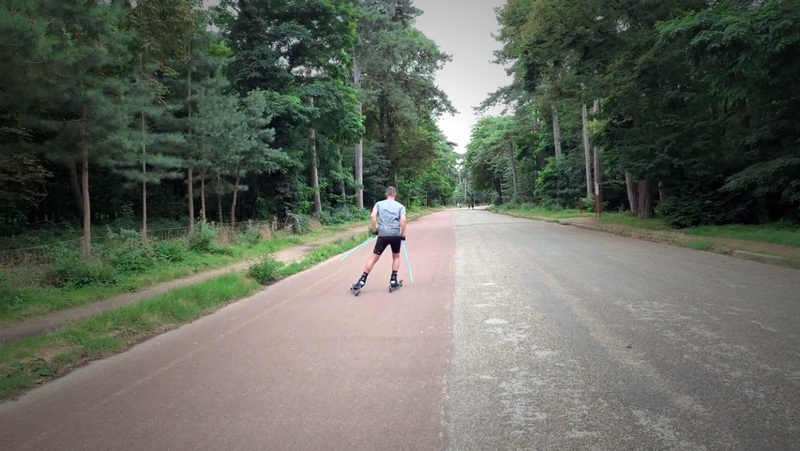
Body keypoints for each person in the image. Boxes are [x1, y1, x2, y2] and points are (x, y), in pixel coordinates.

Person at [351, 186, 407, 291]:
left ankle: (362, 281)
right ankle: (393, 280)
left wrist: (374, 230)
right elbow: (403, 221)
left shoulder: (379, 204)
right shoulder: (400, 206)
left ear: (386, 194)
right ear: (395, 194)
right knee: (396, 257)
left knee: (373, 258)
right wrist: (403, 234)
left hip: (383, 235)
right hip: (395, 235)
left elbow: (372, 216)